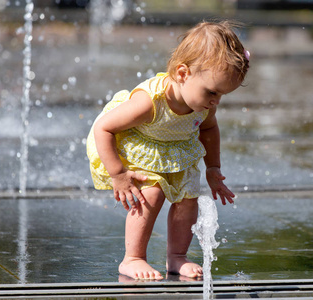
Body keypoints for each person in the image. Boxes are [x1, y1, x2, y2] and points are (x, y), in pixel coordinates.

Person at [86, 20, 249, 280]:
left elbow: (208, 130)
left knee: (188, 199)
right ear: (183, 74)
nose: (216, 101)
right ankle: (133, 258)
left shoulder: (205, 105)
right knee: (151, 195)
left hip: (176, 150)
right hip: (140, 146)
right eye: (212, 92)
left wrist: (214, 168)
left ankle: (177, 257)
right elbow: (103, 128)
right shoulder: (149, 103)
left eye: (221, 96)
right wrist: (118, 174)